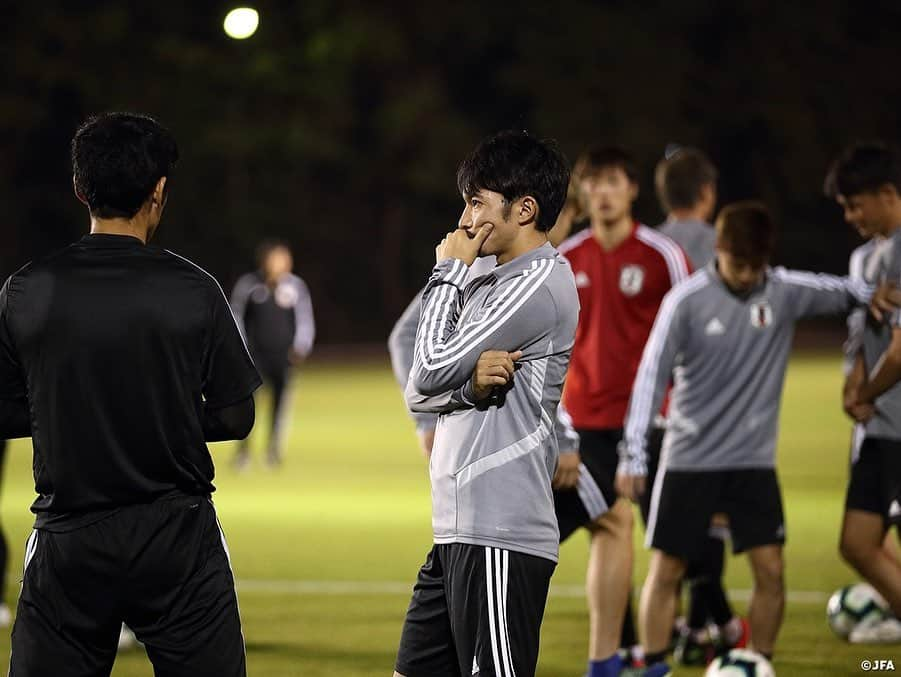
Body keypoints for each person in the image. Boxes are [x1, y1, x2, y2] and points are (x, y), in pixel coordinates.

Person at [0, 112, 260, 676]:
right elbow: (237, 415)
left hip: (69, 534)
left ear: (79, 189)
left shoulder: (27, 290)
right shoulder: (194, 288)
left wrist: (64, 412)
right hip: (177, 534)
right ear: (158, 192)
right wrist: (160, 414)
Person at [617, 201, 875, 676]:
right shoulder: (687, 302)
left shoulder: (782, 291)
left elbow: (849, 292)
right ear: (719, 251)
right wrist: (633, 455)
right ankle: (653, 665)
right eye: (740, 265)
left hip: (752, 464)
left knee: (772, 571)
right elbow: (650, 380)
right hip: (688, 460)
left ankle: (761, 663)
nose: (748, 276)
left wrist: (877, 294)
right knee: (668, 569)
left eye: (757, 266)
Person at [394, 130, 578, 677]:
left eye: (476, 202)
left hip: (501, 534)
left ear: (524, 209)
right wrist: (469, 390)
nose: (464, 220)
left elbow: (426, 369)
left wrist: (447, 271)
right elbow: (418, 391)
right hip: (457, 531)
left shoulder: (538, 282)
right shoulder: (491, 277)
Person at [553, 146, 690, 676]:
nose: (602, 193)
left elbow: (691, 330)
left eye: (612, 181)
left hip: (651, 423)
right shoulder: (570, 256)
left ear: (633, 189)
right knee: (611, 523)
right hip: (584, 423)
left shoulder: (662, 255)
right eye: (592, 183)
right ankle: (623, 657)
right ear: (583, 194)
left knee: (662, 539)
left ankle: (640, 649)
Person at [387, 186, 582, 460]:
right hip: (486, 444)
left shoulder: (544, 273)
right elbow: (416, 360)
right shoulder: (483, 269)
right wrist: (428, 419)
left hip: (508, 448)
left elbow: (537, 373)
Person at [654, 146, 747, 664]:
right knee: (710, 522)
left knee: (664, 532)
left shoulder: (647, 247)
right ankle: (714, 623)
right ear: (708, 194)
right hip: (709, 409)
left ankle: (696, 626)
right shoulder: (726, 247)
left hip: (648, 410)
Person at [827, 142, 901, 643]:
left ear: (888, 194)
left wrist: (867, 392)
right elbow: (863, 337)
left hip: (897, 420)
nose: (851, 216)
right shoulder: (861, 259)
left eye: (857, 204)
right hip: (878, 426)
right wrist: (854, 384)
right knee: (857, 542)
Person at [230, 240, 315, 468]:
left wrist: (300, 347)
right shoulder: (249, 285)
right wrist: (241, 348)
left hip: (282, 358)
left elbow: (305, 319)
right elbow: (236, 318)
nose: (282, 264)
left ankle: (273, 451)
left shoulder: (295, 287)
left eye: (285, 259)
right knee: (248, 406)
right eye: (277, 259)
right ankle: (243, 453)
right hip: (254, 358)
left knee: (280, 406)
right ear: (266, 261)